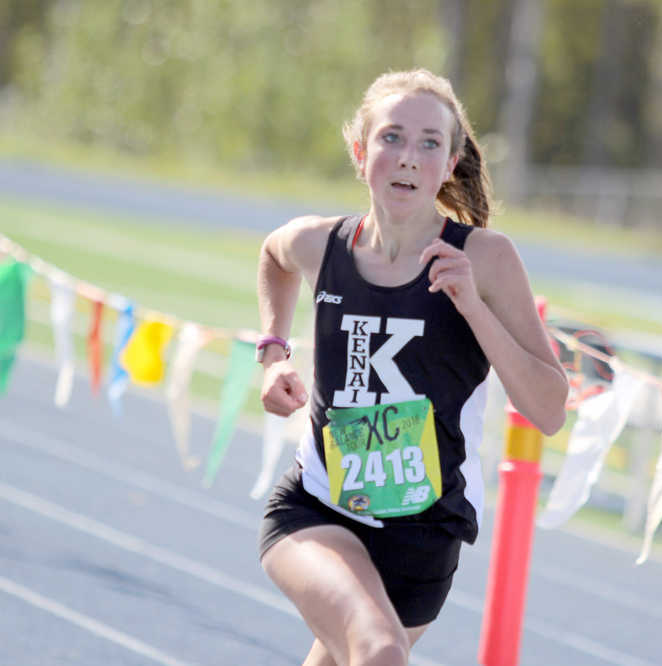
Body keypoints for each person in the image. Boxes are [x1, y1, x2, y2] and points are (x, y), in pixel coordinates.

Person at [255, 68, 568, 666]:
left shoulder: (487, 258)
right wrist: (272, 355)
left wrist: (473, 307)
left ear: (450, 163)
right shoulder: (324, 244)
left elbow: (549, 410)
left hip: (423, 535)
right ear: (360, 151)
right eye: (392, 137)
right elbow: (274, 255)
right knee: (377, 651)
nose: (408, 158)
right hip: (319, 507)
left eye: (429, 143)